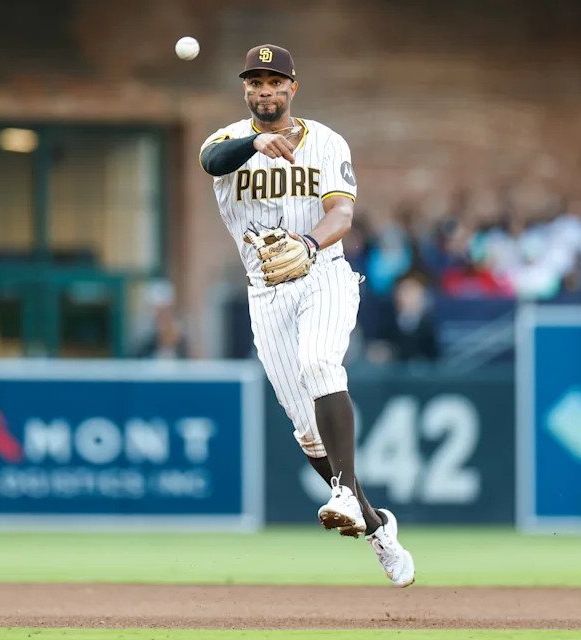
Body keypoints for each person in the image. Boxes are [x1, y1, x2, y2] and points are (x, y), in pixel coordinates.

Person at [199, 44, 414, 587]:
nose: (265, 91)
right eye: (256, 82)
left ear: (293, 88)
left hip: (322, 274)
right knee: (306, 431)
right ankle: (375, 526)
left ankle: (343, 492)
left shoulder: (326, 141)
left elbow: (342, 213)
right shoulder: (226, 140)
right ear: (245, 90)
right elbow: (211, 163)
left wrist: (311, 244)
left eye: (275, 82)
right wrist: (255, 142)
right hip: (265, 292)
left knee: (320, 363)